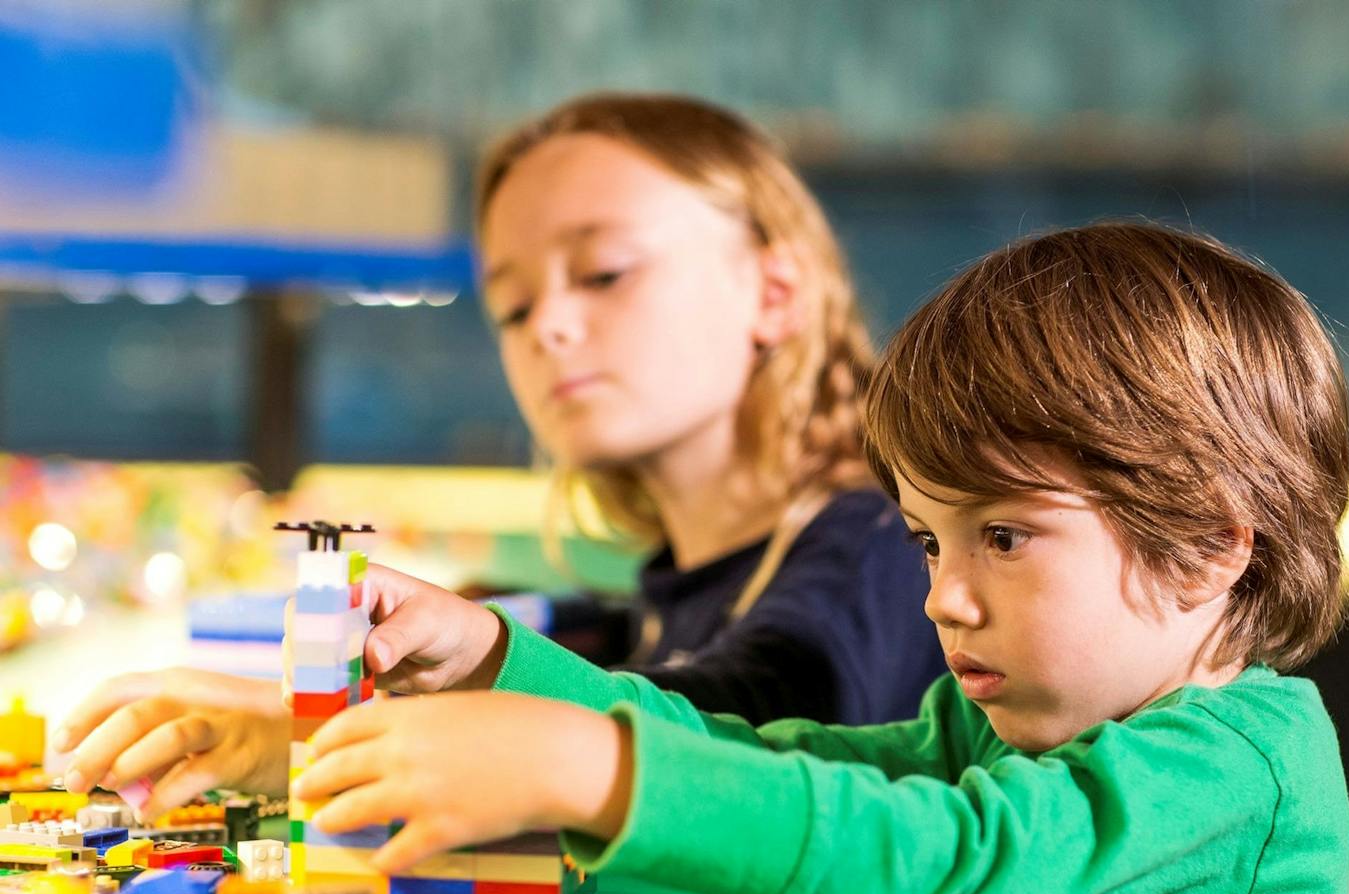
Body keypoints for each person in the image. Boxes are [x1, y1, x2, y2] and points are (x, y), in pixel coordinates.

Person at [295, 223, 1349, 894]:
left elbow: (942, 850)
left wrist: (598, 772)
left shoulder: (1239, 772)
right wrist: (494, 665)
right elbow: (772, 761)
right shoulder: (993, 726)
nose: (944, 595)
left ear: (1213, 546)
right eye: (930, 541)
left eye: (1005, 537)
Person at [55, 94, 944, 808]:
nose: (549, 327)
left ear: (775, 292)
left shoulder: (878, 544)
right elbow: (639, 666)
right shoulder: (690, 574)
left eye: (603, 274)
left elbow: (749, 744)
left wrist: (313, 732)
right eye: (513, 308)